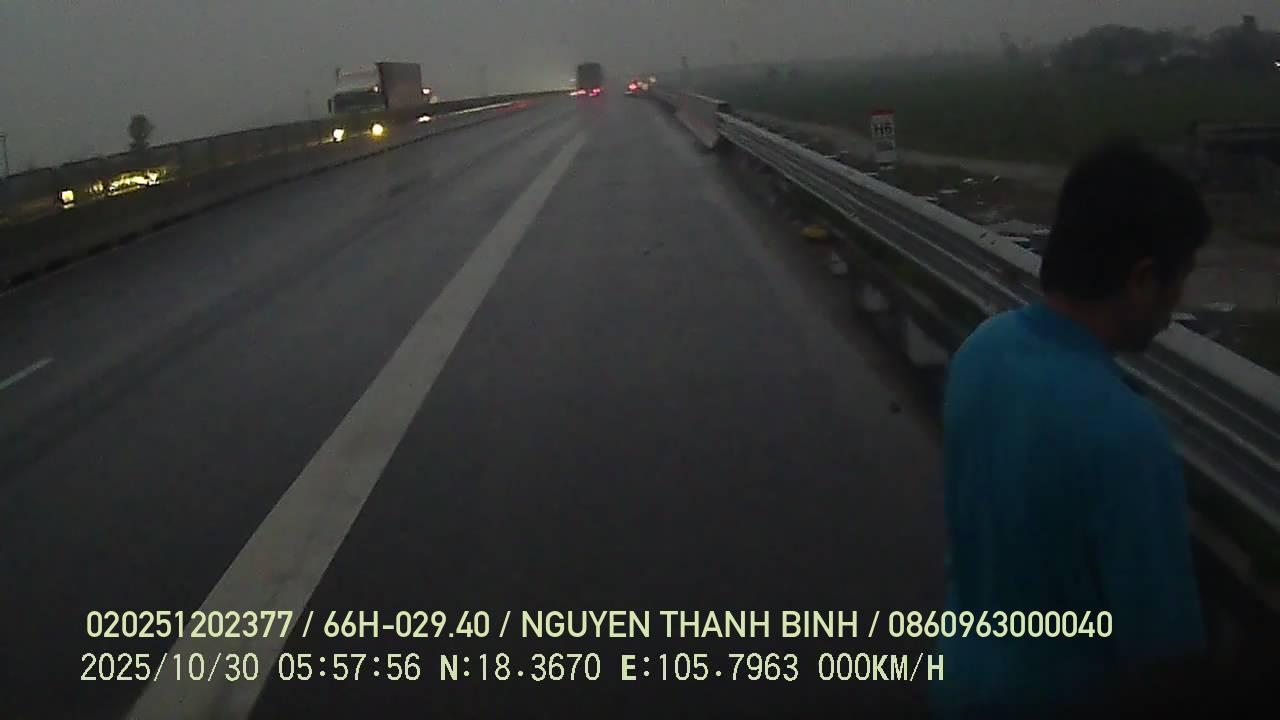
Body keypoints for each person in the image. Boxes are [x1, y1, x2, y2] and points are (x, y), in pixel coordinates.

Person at [931, 139, 1211, 718]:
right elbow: (1166, 658)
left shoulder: (982, 351)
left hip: (960, 682)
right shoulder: (1126, 436)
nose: (1176, 305)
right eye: (1179, 280)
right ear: (1142, 279)